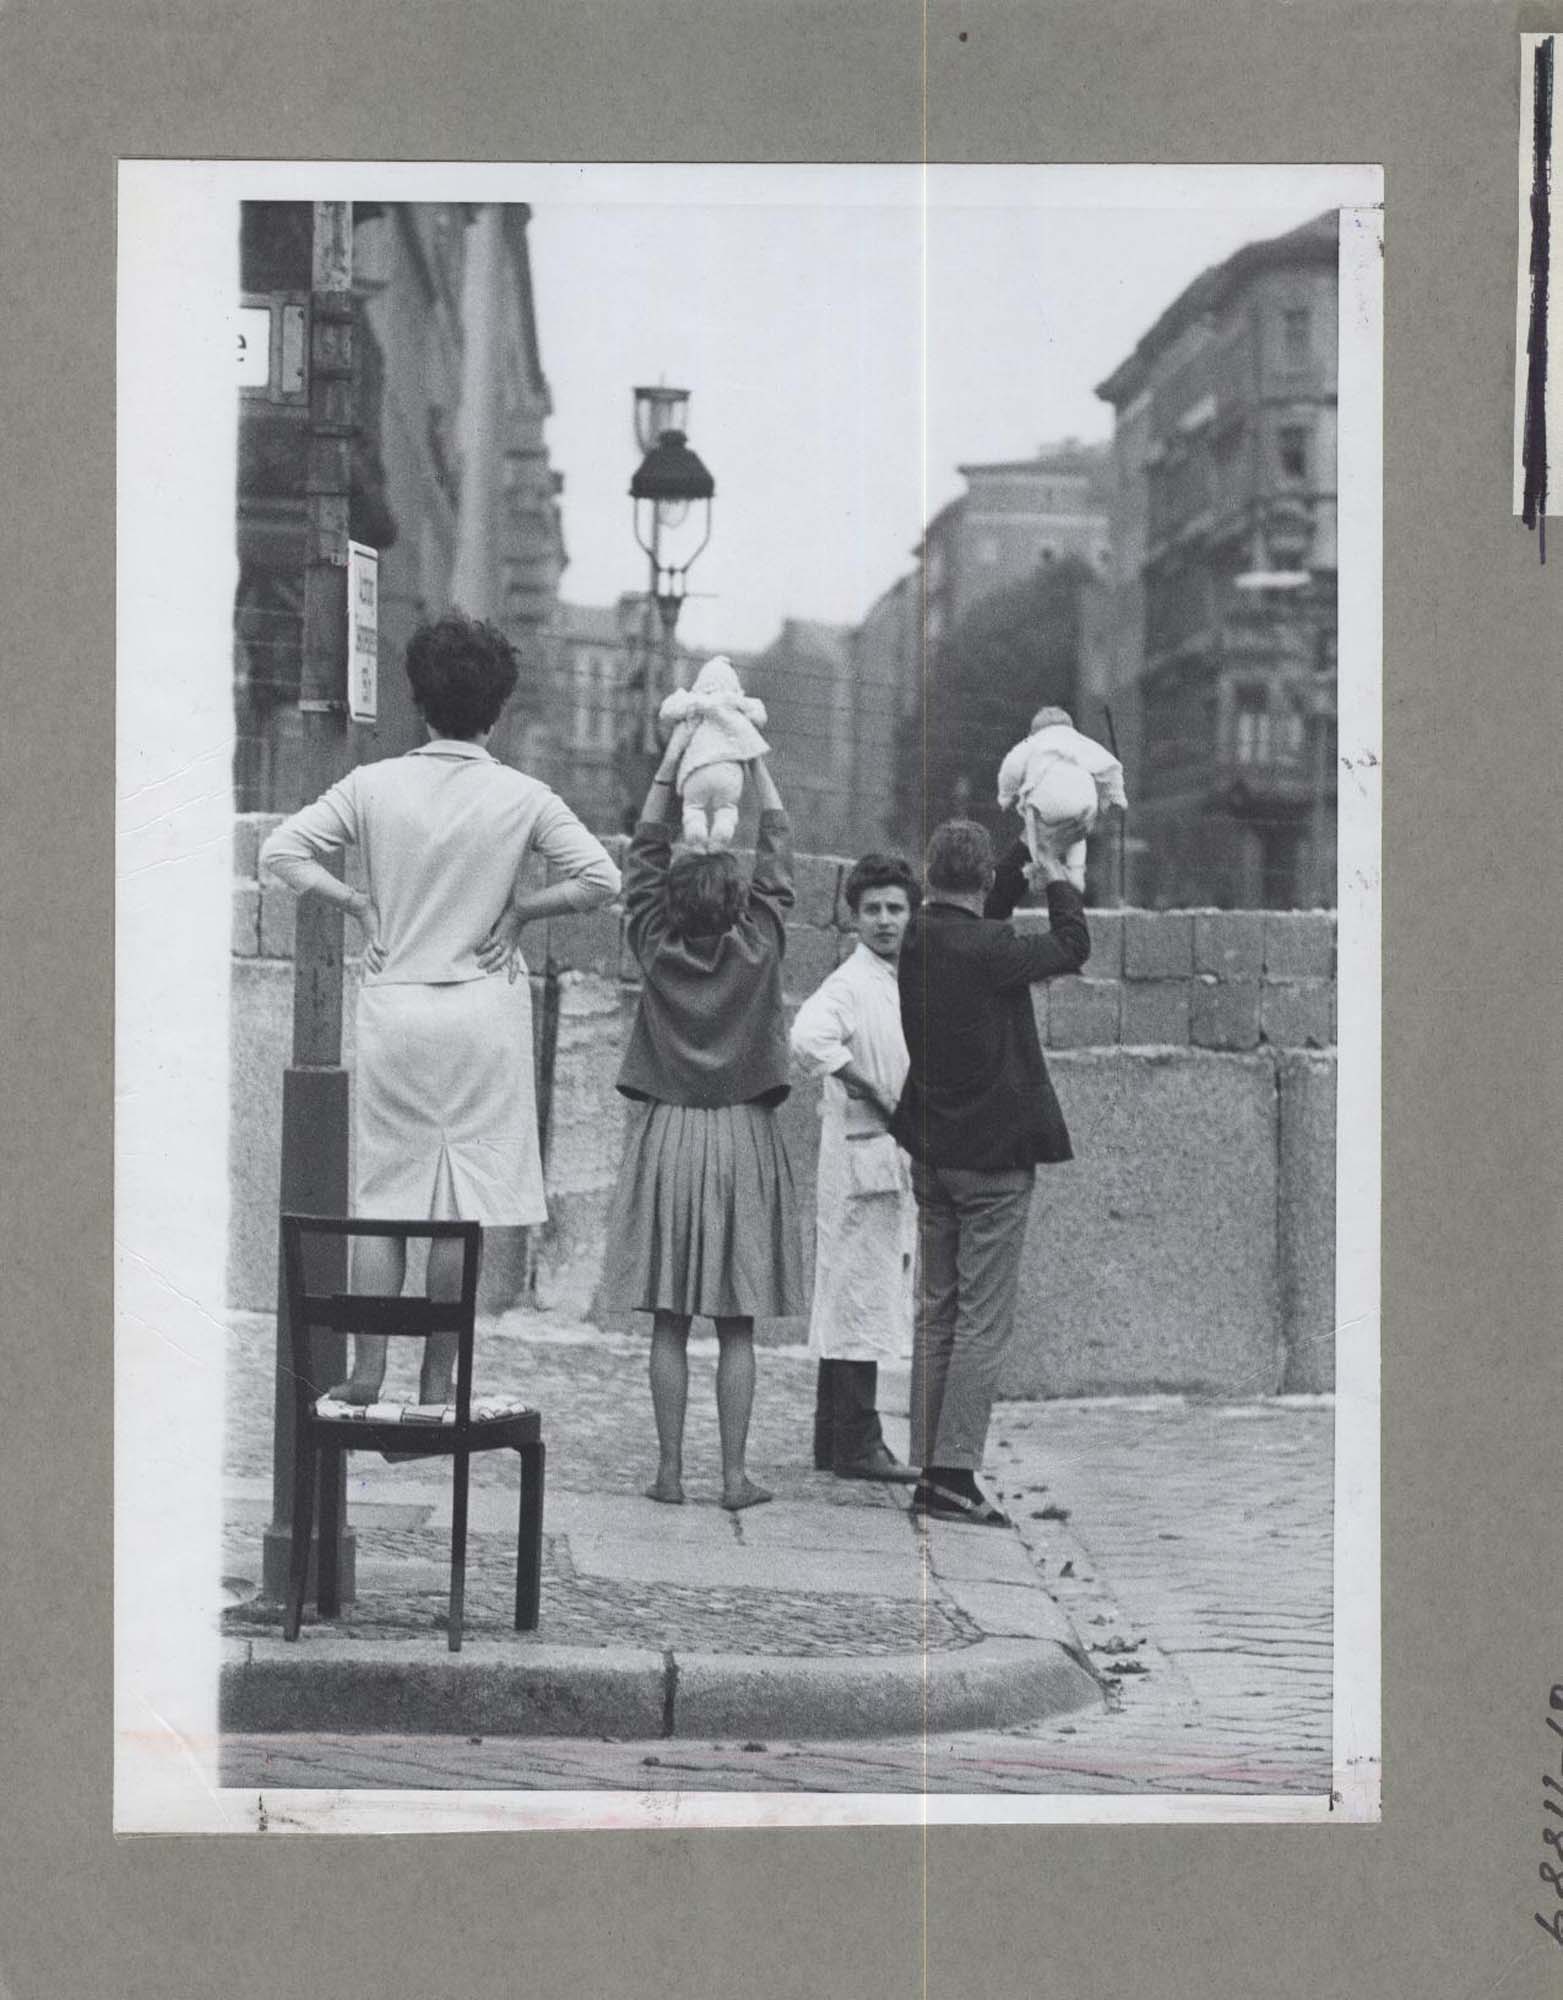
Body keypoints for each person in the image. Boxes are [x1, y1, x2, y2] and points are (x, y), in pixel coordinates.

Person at [259, 612, 620, 1407]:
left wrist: (357, 902)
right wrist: (522, 911)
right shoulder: (524, 796)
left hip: (397, 1005)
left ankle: (366, 1368)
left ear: (419, 700)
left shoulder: (372, 786)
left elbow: (279, 849)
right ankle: (439, 1373)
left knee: (386, 1197)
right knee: (463, 1207)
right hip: (483, 1009)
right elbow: (601, 879)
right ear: (498, 710)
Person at [597, 727, 805, 1511]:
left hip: (668, 1135)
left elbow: (643, 855)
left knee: (670, 1320)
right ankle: (732, 1477)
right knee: (737, 1324)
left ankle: (669, 1472)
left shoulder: (653, 944)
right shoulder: (760, 948)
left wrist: (670, 762)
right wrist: (755, 759)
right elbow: (777, 858)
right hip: (742, 1136)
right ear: (742, 903)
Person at [891, 816, 1090, 1526]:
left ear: (926, 877)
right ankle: (954, 1476)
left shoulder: (916, 935)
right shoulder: (991, 949)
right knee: (981, 1321)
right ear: (978, 882)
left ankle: (926, 1469)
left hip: (932, 1153)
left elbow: (985, 910)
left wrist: (1027, 844)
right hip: (993, 1161)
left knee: (935, 1311)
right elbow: (1073, 945)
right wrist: (1059, 873)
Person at [789, 854, 920, 1483]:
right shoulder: (851, 982)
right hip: (859, 1154)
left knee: (857, 1295)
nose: (885, 920)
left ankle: (833, 1440)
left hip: (885, 1158)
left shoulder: (900, 979)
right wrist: (869, 1087)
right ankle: (859, 1443)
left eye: (895, 908)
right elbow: (809, 1037)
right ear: (855, 917)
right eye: (873, 910)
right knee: (858, 1297)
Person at [996, 704, 1127, 893]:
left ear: (1033, 732)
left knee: (1035, 831)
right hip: (1085, 802)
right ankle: (1076, 874)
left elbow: (1011, 767)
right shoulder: (1081, 742)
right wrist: (1116, 797)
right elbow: (1110, 766)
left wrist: (1006, 795)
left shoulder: (1034, 742)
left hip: (1047, 803)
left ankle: (1039, 868)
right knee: (1078, 836)